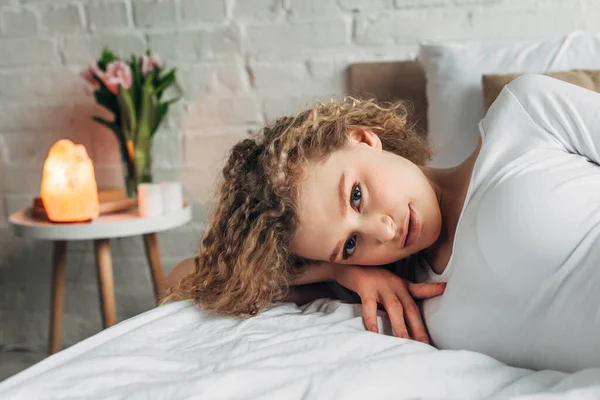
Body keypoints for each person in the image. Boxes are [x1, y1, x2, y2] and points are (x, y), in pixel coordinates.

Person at [163, 74, 600, 373]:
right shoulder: (399, 283)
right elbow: (183, 278)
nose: (383, 232)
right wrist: (339, 270)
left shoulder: (524, 116)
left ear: (362, 138)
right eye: (351, 243)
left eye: (356, 196)